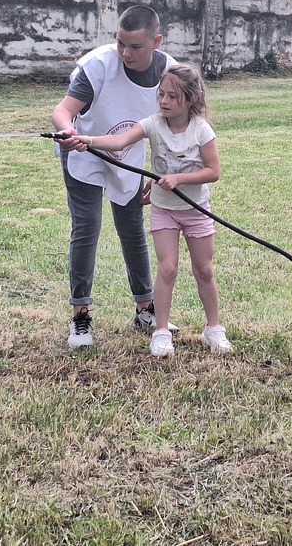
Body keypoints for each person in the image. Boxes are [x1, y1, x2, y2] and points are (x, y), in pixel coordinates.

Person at [66, 64, 233, 357]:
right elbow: (119, 140)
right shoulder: (153, 124)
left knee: (204, 270)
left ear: (191, 99)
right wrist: (87, 140)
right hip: (164, 210)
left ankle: (213, 328)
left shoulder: (202, 130)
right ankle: (160, 331)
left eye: (173, 96)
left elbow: (213, 171)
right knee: (166, 268)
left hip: (196, 210)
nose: (164, 101)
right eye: (161, 94)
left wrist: (179, 178)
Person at [51, 5, 177, 349]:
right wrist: (68, 133)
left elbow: (169, 128)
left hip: (127, 155)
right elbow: (63, 111)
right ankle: (80, 316)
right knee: (87, 227)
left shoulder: (169, 74)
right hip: (84, 151)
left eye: (135, 46)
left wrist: (161, 171)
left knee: (132, 226)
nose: (125, 53)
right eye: (120, 43)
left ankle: (145, 308)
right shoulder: (98, 66)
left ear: (157, 41)